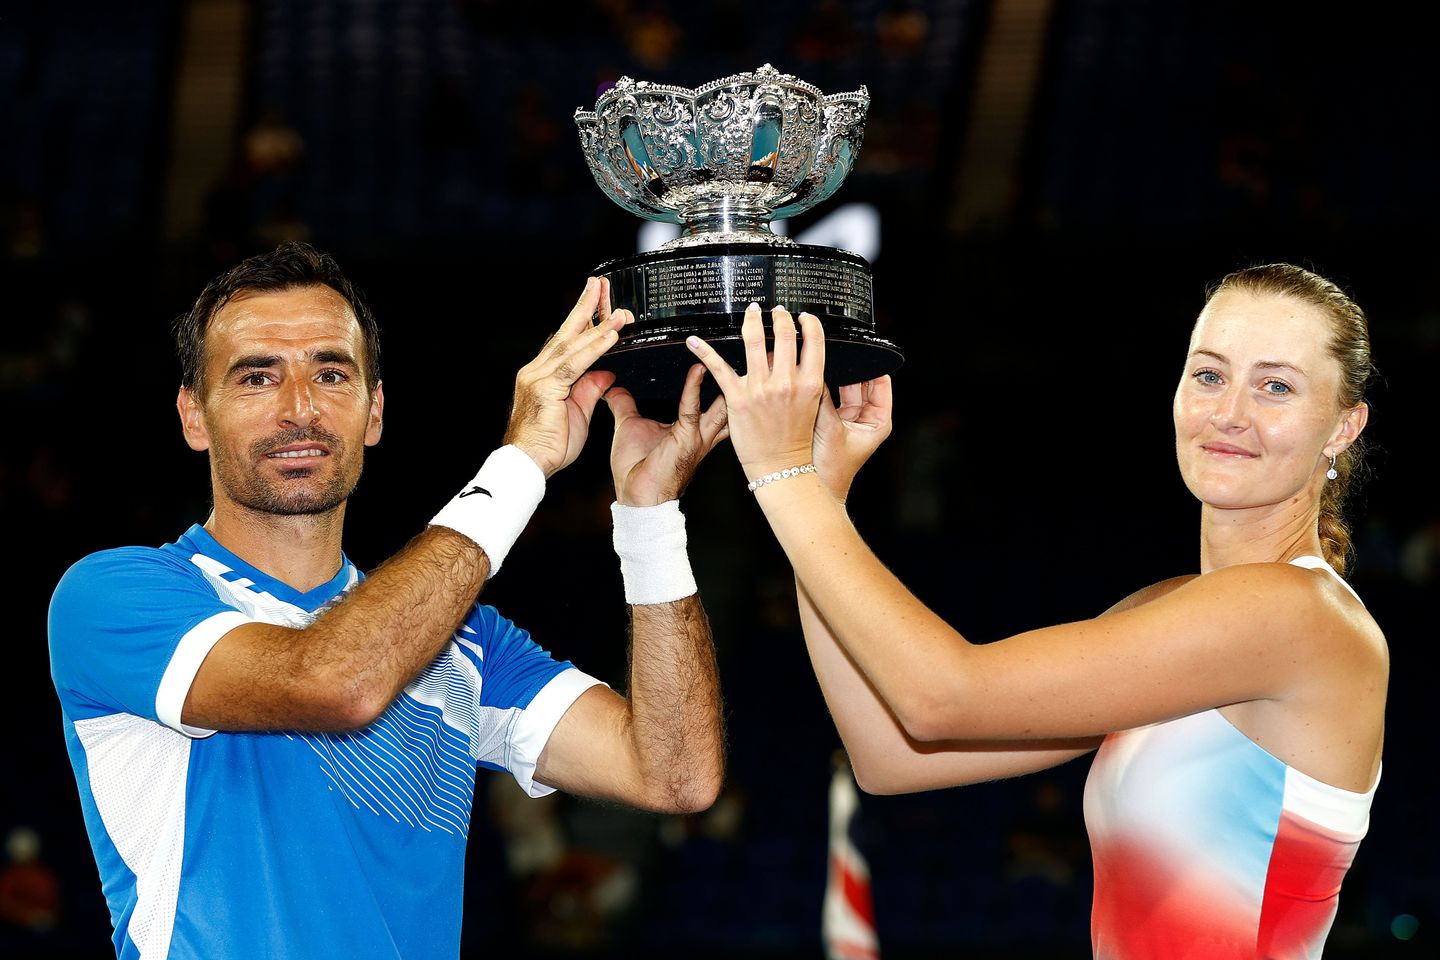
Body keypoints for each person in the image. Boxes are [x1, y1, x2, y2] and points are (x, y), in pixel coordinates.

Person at [48, 241, 729, 959]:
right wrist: (522, 461)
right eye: (256, 378)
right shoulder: (115, 595)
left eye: (332, 373)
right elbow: (337, 681)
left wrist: (649, 518)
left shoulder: (462, 639)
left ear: (374, 413)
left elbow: (674, 775)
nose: (299, 409)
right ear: (194, 417)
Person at [685, 263, 1386, 957]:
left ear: (1343, 427)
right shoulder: (1172, 610)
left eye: (1276, 387)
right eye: (1209, 375)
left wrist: (783, 479)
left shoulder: (1298, 613)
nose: (1230, 412)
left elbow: (942, 697)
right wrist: (821, 495)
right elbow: (891, 755)